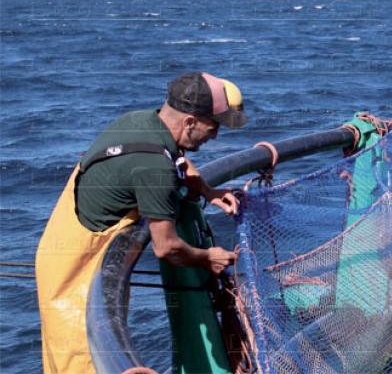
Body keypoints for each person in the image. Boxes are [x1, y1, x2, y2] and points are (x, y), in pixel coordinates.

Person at [35, 72, 248, 373]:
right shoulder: (155, 170)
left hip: (62, 239)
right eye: (213, 128)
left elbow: (176, 160)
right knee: (82, 357)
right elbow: (167, 247)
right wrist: (207, 258)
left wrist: (207, 190)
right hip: (74, 269)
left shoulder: (143, 121)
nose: (215, 136)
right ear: (189, 122)